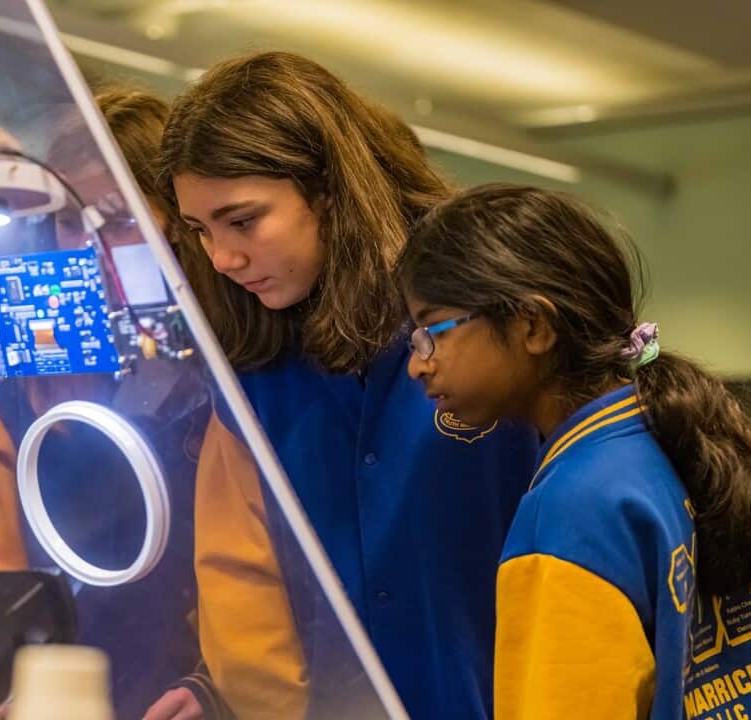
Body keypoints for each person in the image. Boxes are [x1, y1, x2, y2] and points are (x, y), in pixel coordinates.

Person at [155, 51, 538, 719]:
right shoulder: (249, 373)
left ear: (328, 191)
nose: (223, 258)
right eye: (200, 231)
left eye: (243, 221)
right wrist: (212, 693)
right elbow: (254, 602)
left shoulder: (486, 313)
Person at [397, 183, 751, 719]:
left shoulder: (570, 510)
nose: (417, 363)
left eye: (433, 330)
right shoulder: (689, 445)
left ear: (533, 325)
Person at [0, 88, 218, 719]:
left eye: (119, 220)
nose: (88, 246)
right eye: (69, 220)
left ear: (183, 225)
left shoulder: (236, 372)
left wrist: (216, 687)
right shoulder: (9, 389)